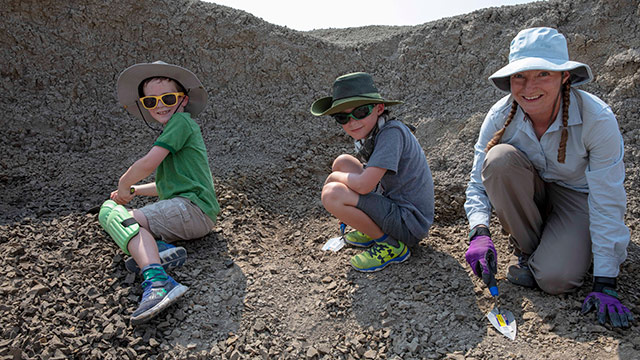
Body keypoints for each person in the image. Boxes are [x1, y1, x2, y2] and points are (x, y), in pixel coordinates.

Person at [463, 27, 634, 328]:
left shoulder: (597, 120)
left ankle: (568, 251)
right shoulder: (499, 117)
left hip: (578, 198)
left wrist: (605, 279)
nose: (529, 87)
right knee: (499, 160)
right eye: (520, 76)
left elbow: (608, 199)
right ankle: (529, 253)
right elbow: (479, 180)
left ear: (564, 77)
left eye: (543, 74)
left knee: (556, 279)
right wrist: (479, 232)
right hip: (531, 193)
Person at [98, 61, 220, 324]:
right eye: (151, 102)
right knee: (116, 214)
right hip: (193, 211)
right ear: (145, 106)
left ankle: (158, 281)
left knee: (124, 220)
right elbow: (167, 186)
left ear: (183, 100)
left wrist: (123, 182)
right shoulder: (177, 130)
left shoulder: (180, 122)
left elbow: (149, 163)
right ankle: (160, 251)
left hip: (192, 209)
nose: (160, 105)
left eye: (167, 98)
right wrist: (133, 189)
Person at [311, 72, 434, 272]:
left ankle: (390, 245)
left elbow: (364, 185)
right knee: (343, 162)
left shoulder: (391, 134)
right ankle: (371, 228)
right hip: (394, 204)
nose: (352, 122)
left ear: (379, 109)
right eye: (343, 117)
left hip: (409, 223)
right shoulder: (377, 131)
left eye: (360, 112)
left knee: (332, 194)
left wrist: (334, 178)